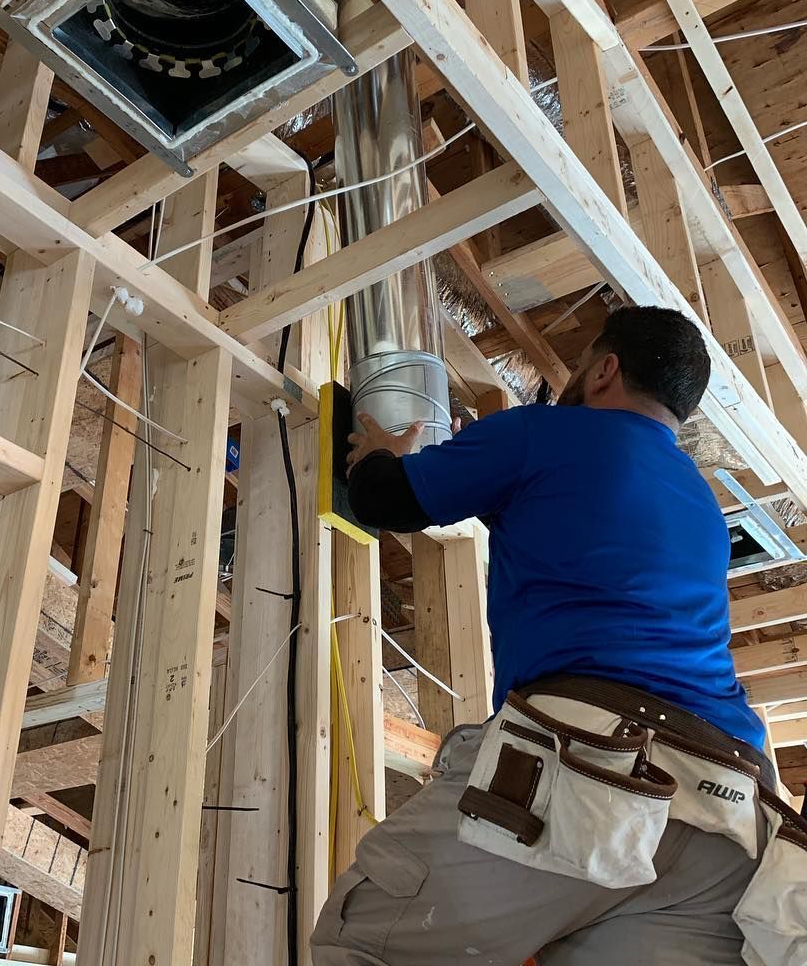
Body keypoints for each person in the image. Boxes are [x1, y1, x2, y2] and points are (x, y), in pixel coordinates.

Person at [311, 306, 787, 966]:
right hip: (729, 818)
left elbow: (387, 501)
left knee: (368, 943)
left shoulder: (547, 433)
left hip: (600, 768)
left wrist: (380, 458)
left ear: (605, 367)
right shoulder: (701, 504)